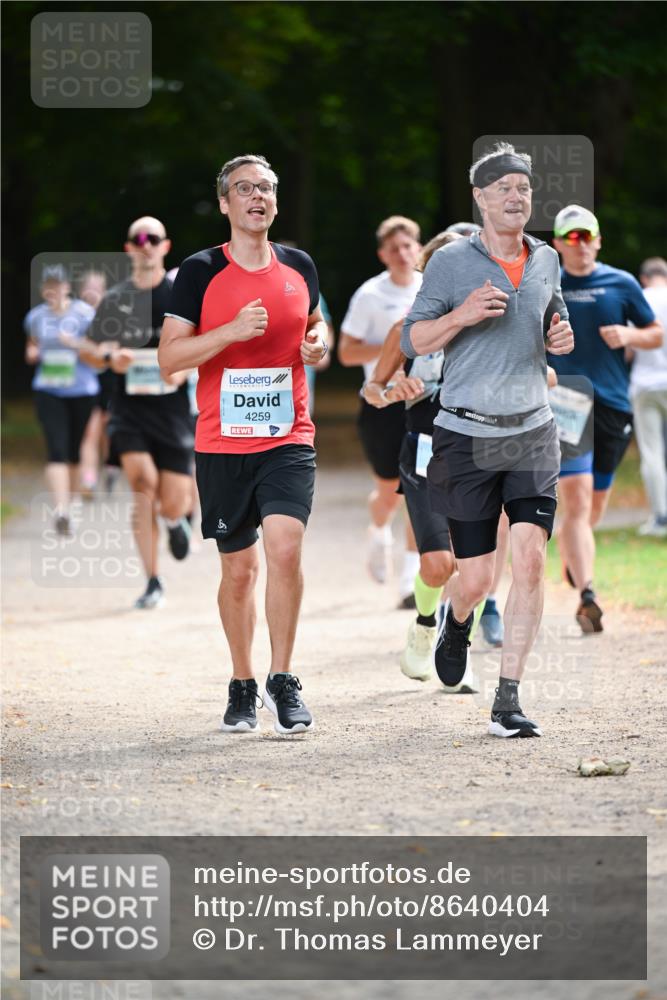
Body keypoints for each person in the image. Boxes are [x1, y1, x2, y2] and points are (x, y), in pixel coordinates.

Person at [401, 141, 575, 739]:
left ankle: (508, 698)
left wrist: (561, 339)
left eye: (523, 188)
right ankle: (456, 620)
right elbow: (413, 341)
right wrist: (463, 314)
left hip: (532, 431)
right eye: (502, 187)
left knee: (528, 559)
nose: (515, 196)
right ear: (479, 198)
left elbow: (554, 320)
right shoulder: (451, 264)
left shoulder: (547, 259)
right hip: (466, 437)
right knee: (475, 577)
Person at [158, 154, 328, 735]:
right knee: (239, 573)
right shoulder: (200, 271)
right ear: (226, 203)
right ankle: (242, 681)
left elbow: (315, 325)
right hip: (223, 442)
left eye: (267, 188)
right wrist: (228, 332)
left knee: (284, 548)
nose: (257, 196)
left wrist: (318, 346)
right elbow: (170, 360)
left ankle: (283, 679)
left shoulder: (299, 264)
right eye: (244, 188)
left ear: (275, 202)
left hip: (288, 435)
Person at [550, 206, 663, 630]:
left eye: (586, 236)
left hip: (614, 403)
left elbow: (655, 332)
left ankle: (576, 558)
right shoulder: (547, 283)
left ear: (598, 239)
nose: (579, 245)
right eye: (570, 238)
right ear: (559, 243)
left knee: (593, 508)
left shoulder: (621, 282)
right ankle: (587, 594)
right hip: (565, 397)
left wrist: (630, 335)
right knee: (576, 502)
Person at [81, 217, 195, 609]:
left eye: (154, 238)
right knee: (142, 486)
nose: (146, 244)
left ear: (166, 246)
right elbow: (88, 349)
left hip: (174, 411)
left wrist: (187, 368)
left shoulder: (181, 295)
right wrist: (110, 355)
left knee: (172, 500)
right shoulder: (116, 298)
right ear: (129, 247)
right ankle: (152, 580)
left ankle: (176, 520)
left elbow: (205, 344)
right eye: (138, 238)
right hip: (129, 410)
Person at [363, 231, 461, 683]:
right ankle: (425, 625)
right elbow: (372, 388)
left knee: (473, 566)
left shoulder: (493, 324)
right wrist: (391, 391)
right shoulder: (406, 328)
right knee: (440, 564)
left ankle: (455, 651)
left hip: (481, 452)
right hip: (424, 449)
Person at [338, 216, 423, 606]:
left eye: (408, 246)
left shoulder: (433, 287)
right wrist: (394, 347)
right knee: (390, 491)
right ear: (382, 255)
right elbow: (346, 351)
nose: (403, 254)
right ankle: (378, 529)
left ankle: (409, 581)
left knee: (418, 491)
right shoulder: (370, 295)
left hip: (422, 401)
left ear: (419, 248)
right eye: (394, 249)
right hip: (381, 402)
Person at [24, 264, 99, 535]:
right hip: (48, 389)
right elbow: (31, 345)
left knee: (74, 451)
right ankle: (61, 509)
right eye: (48, 286)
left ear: (67, 287)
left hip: (82, 390)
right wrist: (32, 353)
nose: (53, 290)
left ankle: (74, 501)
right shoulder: (36, 317)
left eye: (58, 285)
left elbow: (99, 350)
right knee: (56, 448)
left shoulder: (85, 314)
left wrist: (75, 344)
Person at [631, 257, 667, 536]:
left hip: (645, 383)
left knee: (652, 452)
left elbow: (629, 349)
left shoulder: (639, 299)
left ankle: (660, 517)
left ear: (644, 277)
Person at [77, 270, 109, 498]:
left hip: (112, 383)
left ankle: (111, 471)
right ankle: (89, 480)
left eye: (98, 288)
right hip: (86, 381)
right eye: (89, 288)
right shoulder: (74, 318)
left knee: (110, 433)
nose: (93, 293)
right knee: (90, 434)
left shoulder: (114, 315)